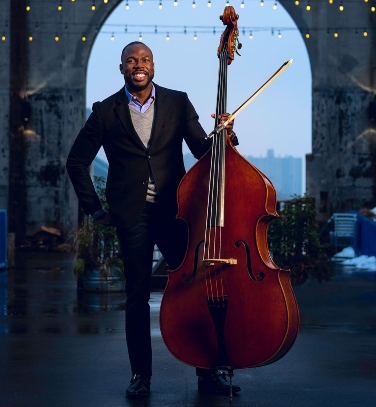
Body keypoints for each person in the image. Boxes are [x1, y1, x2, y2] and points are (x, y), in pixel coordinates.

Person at [66, 41, 240, 399]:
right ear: (122, 69)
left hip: (176, 213)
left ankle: (208, 373)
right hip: (131, 216)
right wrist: (95, 210)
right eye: (131, 61)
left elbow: (202, 151)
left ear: (154, 66)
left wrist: (225, 134)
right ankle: (140, 376)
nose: (138, 65)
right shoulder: (105, 112)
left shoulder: (177, 102)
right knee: (136, 297)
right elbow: (76, 162)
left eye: (144, 60)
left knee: (195, 290)